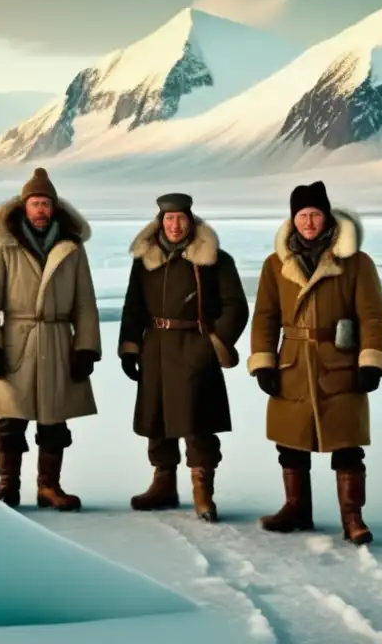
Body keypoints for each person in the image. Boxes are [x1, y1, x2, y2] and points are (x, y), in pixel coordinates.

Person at [248, 180, 382, 545]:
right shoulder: (275, 264)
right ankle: (296, 508)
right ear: (293, 220)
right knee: (291, 442)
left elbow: (372, 316)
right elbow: (264, 315)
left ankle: (352, 517)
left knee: (346, 444)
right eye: (302, 215)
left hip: (340, 364)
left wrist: (370, 361)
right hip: (292, 362)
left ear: (326, 217)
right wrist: (263, 362)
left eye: (314, 214)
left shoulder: (355, 262)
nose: (308, 222)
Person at [0, 167, 102, 512]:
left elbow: (85, 303)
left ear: (54, 207)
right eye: (36, 203)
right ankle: (8, 486)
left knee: (54, 420)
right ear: (24, 206)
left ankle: (49, 487)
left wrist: (86, 347)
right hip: (17, 340)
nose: (41, 209)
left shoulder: (71, 247)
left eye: (46, 203)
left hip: (58, 340)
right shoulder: (3, 245)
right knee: (11, 419)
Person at [118, 193, 249, 523]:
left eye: (180, 218)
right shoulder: (146, 260)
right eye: (168, 218)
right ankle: (163, 484)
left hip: (195, 345)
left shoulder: (214, 259)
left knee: (197, 421)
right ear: (159, 221)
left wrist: (214, 343)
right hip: (155, 347)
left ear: (191, 220)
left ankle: (202, 491)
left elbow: (236, 306)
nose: (174, 225)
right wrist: (130, 347)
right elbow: (133, 306)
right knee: (157, 420)